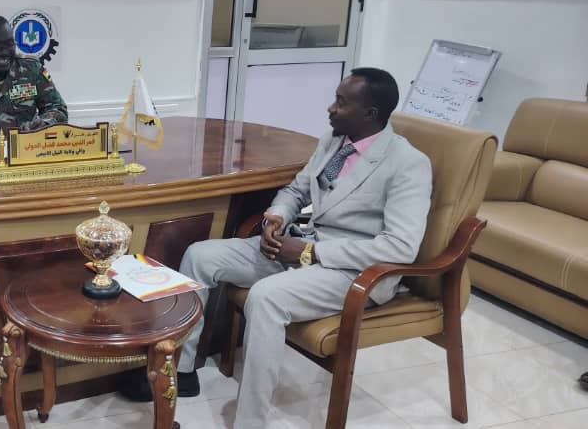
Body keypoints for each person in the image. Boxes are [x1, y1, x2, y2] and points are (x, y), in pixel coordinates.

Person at [119, 68, 433, 428]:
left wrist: (309, 253)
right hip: (302, 246)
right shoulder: (334, 141)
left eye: (341, 102)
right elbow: (296, 191)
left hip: (354, 271)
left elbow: (400, 247)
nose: (330, 108)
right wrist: (276, 217)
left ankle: (251, 421)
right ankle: (183, 371)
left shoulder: (408, 164)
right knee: (200, 256)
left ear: (370, 113)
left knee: (266, 298)